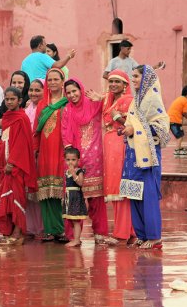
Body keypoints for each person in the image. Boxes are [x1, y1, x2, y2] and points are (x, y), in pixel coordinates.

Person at [121, 65, 170, 250]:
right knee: (134, 194)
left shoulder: (153, 100)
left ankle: (154, 237)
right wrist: (127, 129)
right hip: (134, 152)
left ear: (146, 78)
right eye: (132, 76)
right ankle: (141, 235)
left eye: (136, 76)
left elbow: (162, 129)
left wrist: (136, 129)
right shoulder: (136, 101)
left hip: (149, 156)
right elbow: (131, 122)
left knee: (148, 196)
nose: (133, 80)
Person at [61, 78, 113, 244]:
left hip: (95, 158)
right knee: (74, 198)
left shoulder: (93, 104)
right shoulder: (67, 110)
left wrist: (102, 98)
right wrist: (71, 159)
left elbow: (113, 104)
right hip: (76, 159)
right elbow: (65, 133)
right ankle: (73, 236)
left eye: (74, 91)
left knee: (96, 198)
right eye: (68, 92)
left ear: (80, 89)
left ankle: (100, 234)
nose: (72, 95)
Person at [87, 70, 134, 244]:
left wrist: (118, 117)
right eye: (111, 81)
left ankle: (122, 233)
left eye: (117, 81)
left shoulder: (128, 101)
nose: (113, 84)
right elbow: (102, 98)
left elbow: (131, 123)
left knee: (120, 187)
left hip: (119, 143)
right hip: (109, 144)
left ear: (125, 85)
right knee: (114, 187)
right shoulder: (110, 98)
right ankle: (127, 230)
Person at [0, 87, 37, 245]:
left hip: (16, 166)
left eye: (13, 99)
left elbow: (22, 143)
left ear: (20, 101)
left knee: (17, 197)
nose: (9, 102)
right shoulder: (6, 118)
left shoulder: (21, 118)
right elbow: (5, 140)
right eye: (7, 99)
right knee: (7, 198)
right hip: (6, 166)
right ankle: (10, 231)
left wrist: (12, 162)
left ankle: (19, 233)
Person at [33, 68, 68, 242]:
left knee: (60, 191)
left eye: (56, 79)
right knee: (45, 192)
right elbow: (36, 132)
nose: (53, 82)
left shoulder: (67, 103)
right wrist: (35, 151)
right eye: (50, 79)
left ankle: (61, 230)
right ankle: (49, 229)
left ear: (63, 81)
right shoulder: (42, 104)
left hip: (61, 151)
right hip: (45, 152)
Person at [23, 79, 45, 239]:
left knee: (40, 191)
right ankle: (30, 227)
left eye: (38, 90)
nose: (33, 93)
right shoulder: (27, 108)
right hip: (27, 154)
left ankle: (43, 227)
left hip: (41, 153)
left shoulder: (46, 108)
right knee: (29, 192)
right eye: (31, 90)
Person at [62, 147, 88, 248]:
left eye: (73, 159)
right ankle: (75, 239)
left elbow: (80, 183)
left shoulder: (78, 171)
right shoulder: (66, 171)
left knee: (76, 220)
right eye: (68, 160)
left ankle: (77, 240)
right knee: (72, 220)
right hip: (69, 197)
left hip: (76, 197)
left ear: (78, 160)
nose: (70, 162)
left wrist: (73, 173)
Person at [167, 85, 187, 155]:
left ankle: (179, 148)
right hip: (174, 121)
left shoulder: (180, 98)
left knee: (181, 134)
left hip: (172, 120)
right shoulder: (185, 101)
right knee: (180, 136)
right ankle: (177, 150)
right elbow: (184, 113)